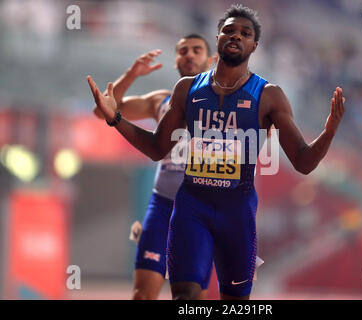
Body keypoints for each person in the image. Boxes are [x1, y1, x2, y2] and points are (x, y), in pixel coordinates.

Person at [88, 4, 345, 300]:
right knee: (185, 298)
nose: (236, 36)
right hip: (191, 208)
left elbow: (303, 162)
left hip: (237, 215)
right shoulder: (187, 89)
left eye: (245, 33)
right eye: (229, 30)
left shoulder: (269, 95)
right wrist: (116, 119)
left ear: (254, 45)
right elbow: (157, 148)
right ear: (219, 37)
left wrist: (329, 131)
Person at [93, 34, 215, 300]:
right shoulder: (161, 101)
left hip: (203, 213)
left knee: (189, 301)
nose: (190, 55)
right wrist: (131, 74)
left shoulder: (224, 106)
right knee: (142, 296)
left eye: (197, 50)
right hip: (163, 208)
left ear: (211, 59)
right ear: (176, 61)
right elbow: (104, 110)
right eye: (183, 51)